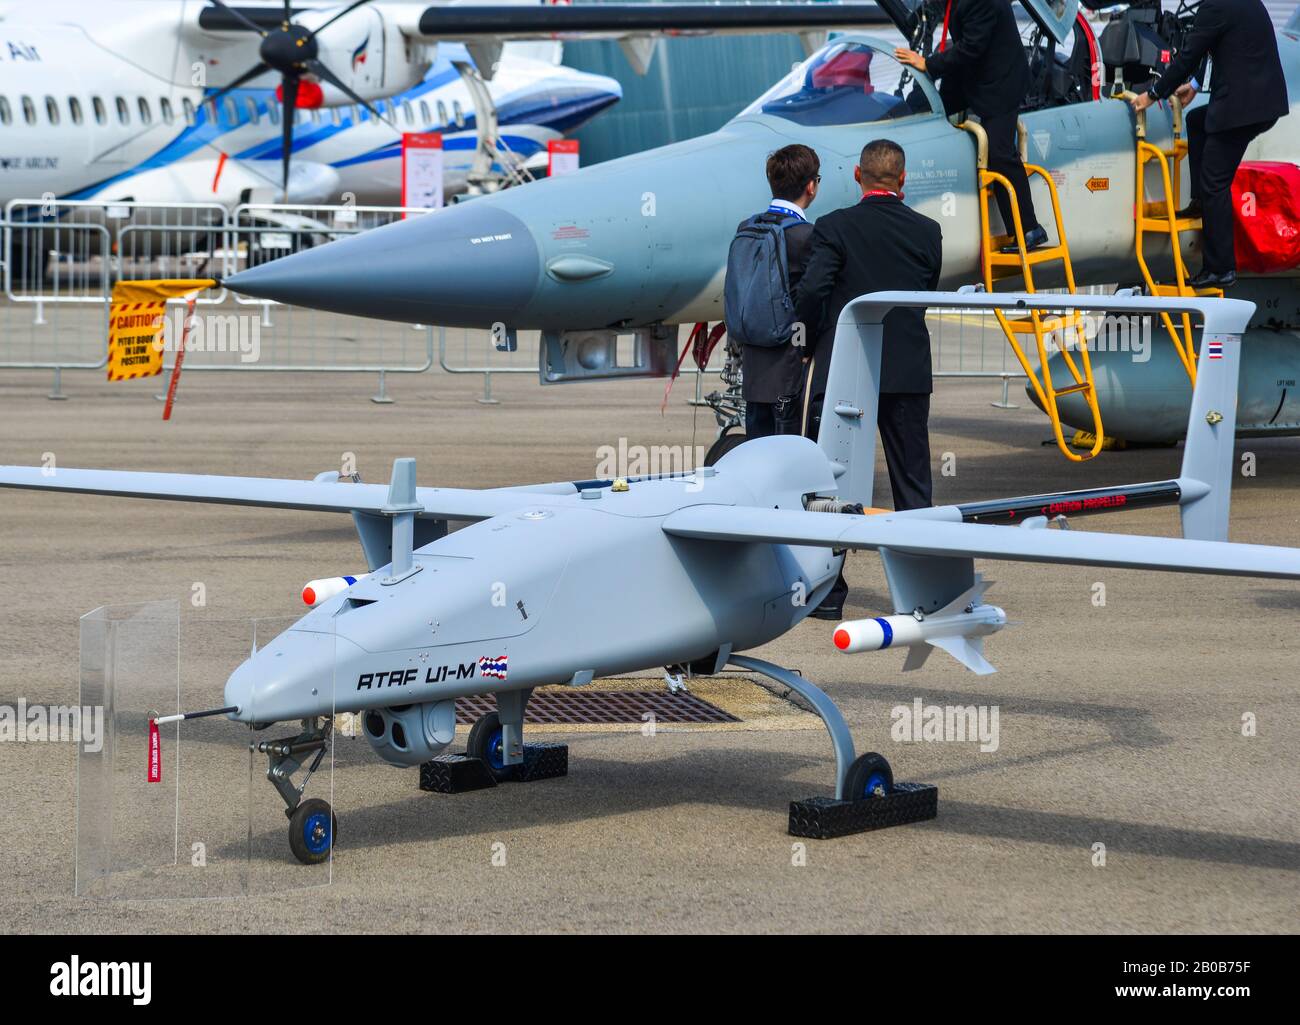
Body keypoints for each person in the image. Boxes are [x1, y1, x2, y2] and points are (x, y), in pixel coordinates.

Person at [795, 139, 943, 619]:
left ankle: (829, 594)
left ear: (858, 176)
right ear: (903, 180)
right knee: (913, 486)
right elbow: (924, 290)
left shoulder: (834, 227)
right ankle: (925, 594)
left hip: (848, 370)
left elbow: (814, 290)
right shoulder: (927, 231)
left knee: (833, 485)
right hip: (906, 369)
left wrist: (809, 340)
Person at [1131, 0, 1288, 289]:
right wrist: (1193, 84)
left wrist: (1152, 94)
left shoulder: (1215, 6)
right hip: (1260, 102)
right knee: (1196, 122)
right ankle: (1201, 202)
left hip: (1243, 108)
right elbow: (1215, 43)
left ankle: (1220, 268)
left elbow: (1189, 53)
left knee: (1215, 181)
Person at [894, 0, 1045, 254]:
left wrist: (928, 64)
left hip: (1001, 82)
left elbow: (972, 47)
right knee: (921, 104)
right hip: (975, 72)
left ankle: (1028, 229)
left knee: (998, 154)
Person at [732, 144, 819, 438]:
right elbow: (809, 300)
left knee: (758, 456)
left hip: (755, 370)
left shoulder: (748, 227)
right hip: (790, 370)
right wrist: (806, 347)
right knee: (790, 462)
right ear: (811, 186)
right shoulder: (805, 236)